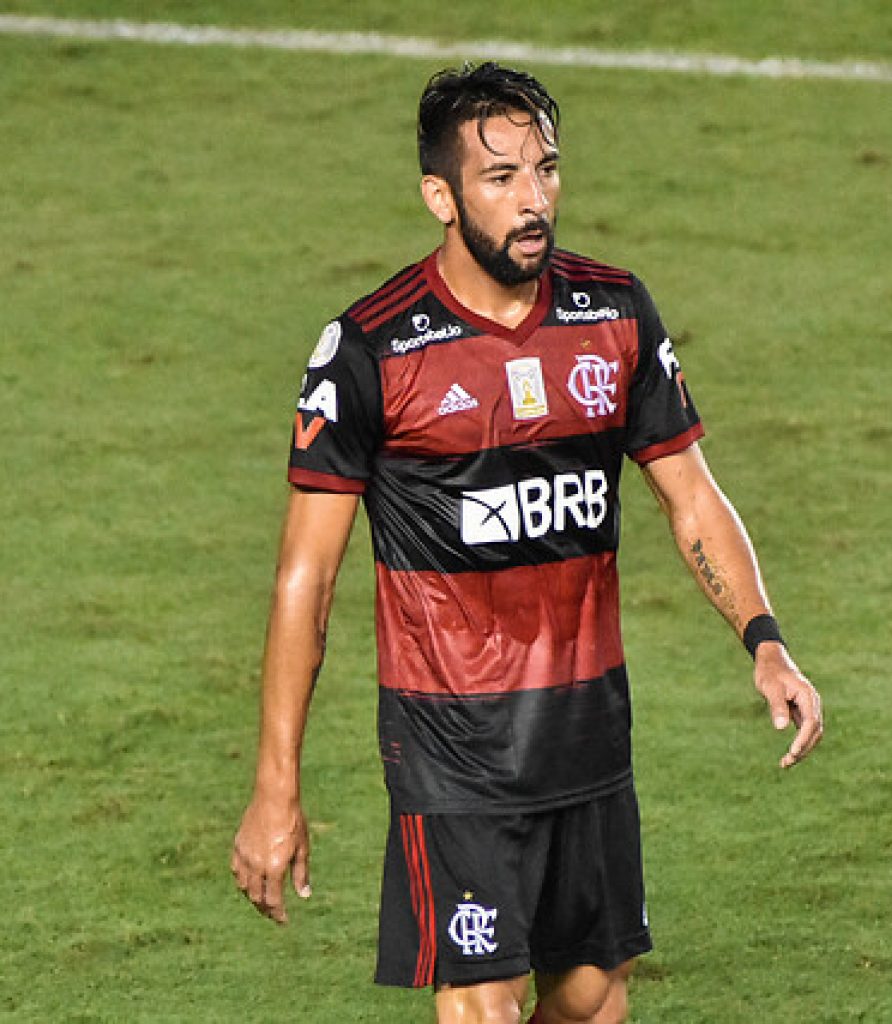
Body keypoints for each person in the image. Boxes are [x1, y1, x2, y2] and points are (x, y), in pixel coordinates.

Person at [231, 61, 823, 1024]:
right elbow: (308, 578)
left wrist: (765, 639)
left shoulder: (614, 314)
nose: (534, 199)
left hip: (586, 730)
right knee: (484, 1001)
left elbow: (693, 498)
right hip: (451, 746)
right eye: (500, 178)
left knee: (593, 998)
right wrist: (275, 784)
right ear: (440, 196)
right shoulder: (371, 350)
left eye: (545, 169)